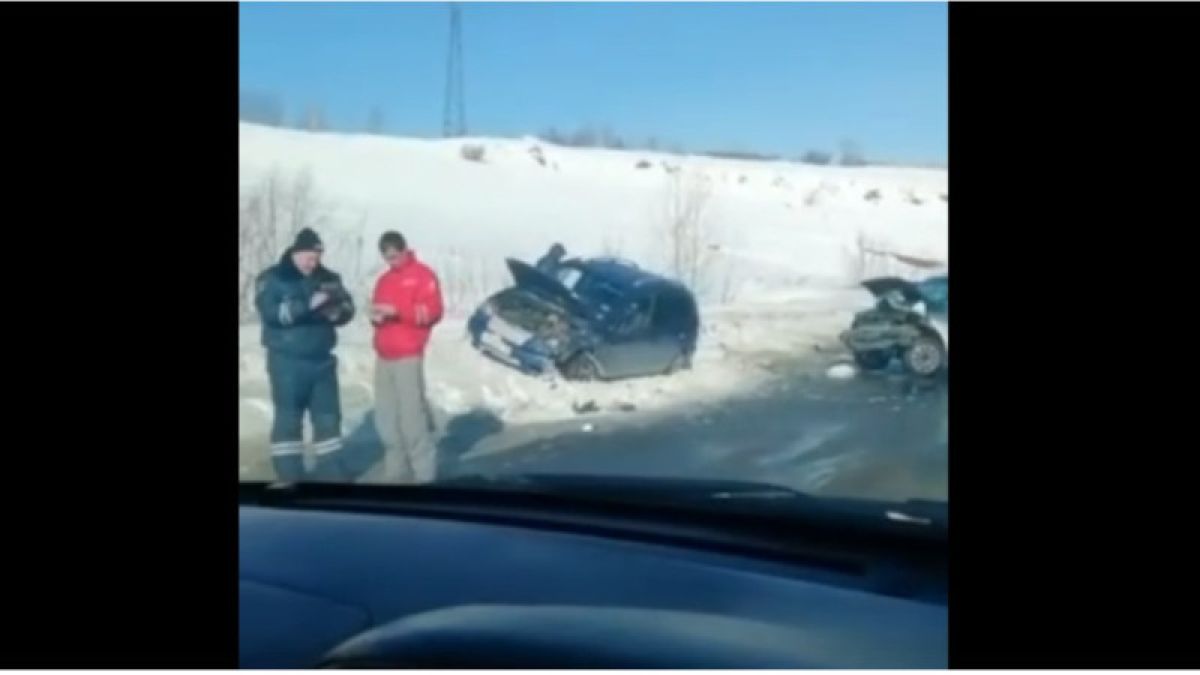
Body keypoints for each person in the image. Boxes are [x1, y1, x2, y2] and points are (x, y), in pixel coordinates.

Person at [254, 228, 355, 482]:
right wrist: (307, 306)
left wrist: (336, 312)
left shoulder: (328, 278)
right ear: (296, 253)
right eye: (309, 257)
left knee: (328, 418)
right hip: (287, 362)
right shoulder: (274, 278)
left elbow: (347, 307)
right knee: (289, 419)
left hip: (322, 361)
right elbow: (271, 313)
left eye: (317, 258)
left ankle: (333, 476)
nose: (313, 263)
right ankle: (290, 477)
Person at [371, 230, 444, 483]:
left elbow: (433, 312)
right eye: (387, 258)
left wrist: (398, 311)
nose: (392, 262)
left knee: (412, 417)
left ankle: (424, 474)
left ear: (404, 250)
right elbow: (379, 311)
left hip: (408, 354)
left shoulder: (423, 276)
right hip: (384, 354)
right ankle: (396, 472)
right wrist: (376, 317)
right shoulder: (383, 280)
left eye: (395, 256)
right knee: (386, 417)